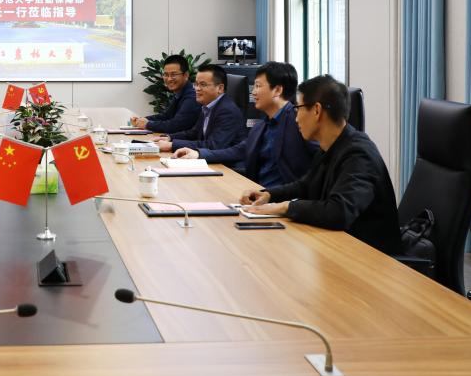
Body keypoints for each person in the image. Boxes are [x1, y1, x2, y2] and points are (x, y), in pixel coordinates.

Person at [240, 74, 401, 254]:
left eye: (298, 109)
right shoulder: (330, 146)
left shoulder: (359, 154)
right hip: (336, 247)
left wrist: (284, 207)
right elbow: (306, 185)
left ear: (317, 110)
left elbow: (339, 212)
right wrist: (269, 194)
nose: (296, 118)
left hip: (368, 258)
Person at [173, 62, 316, 189]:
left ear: (277, 90)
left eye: (258, 86)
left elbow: (320, 164)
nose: (253, 92)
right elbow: (239, 150)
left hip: (285, 201)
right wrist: (199, 154)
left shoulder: (299, 122)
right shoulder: (262, 126)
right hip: (258, 195)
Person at [157, 63, 245, 153]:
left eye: (203, 84)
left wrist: (172, 145)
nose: (197, 89)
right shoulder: (208, 105)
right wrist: (169, 138)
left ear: (220, 88)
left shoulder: (227, 111)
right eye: (196, 84)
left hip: (226, 161)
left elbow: (213, 145)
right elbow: (194, 133)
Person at [129, 54, 201, 134]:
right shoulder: (180, 92)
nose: (169, 79)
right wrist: (141, 120)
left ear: (186, 75)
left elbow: (176, 125)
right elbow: (166, 116)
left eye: (173, 74)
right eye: (166, 75)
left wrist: (148, 124)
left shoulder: (192, 96)